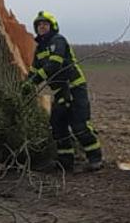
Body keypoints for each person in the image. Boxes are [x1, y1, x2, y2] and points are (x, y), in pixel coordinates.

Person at [24, 10, 104, 173]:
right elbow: (33, 71)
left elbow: (54, 65)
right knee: (57, 124)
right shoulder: (40, 49)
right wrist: (25, 84)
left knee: (79, 125)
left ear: (52, 26)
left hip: (74, 87)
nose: (41, 27)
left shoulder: (58, 41)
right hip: (60, 91)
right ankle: (65, 162)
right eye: (39, 25)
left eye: (45, 24)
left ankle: (96, 159)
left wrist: (33, 81)